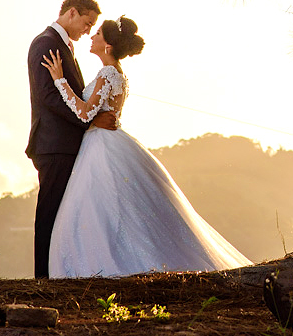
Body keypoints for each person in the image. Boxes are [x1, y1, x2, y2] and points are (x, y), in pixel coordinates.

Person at [42, 15, 250, 277]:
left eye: (97, 35)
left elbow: (84, 113)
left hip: (102, 147)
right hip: (106, 141)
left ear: (107, 46)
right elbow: (96, 114)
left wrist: (59, 79)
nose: (91, 37)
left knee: (97, 210)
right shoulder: (116, 73)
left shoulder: (107, 73)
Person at [26, 0, 118, 279]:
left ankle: (58, 274)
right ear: (73, 13)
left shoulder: (62, 46)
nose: (88, 31)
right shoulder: (46, 43)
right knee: (49, 213)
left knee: (63, 215)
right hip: (54, 145)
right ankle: (42, 278)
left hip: (65, 144)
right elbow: (49, 97)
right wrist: (86, 121)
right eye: (87, 23)